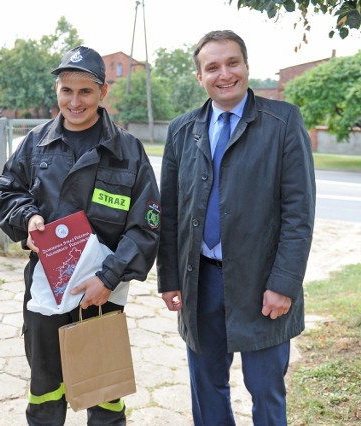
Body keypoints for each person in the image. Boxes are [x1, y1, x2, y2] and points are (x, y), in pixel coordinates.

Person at [0, 46, 160, 425]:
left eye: (85, 91)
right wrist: (27, 217)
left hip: (102, 296)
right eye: (67, 90)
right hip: (47, 293)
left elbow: (145, 226)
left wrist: (108, 277)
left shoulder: (127, 151)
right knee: (46, 390)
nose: (75, 101)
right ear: (57, 92)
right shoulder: (36, 144)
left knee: (105, 397)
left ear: (102, 93)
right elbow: (4, 192)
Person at [157, 30, 316, 425]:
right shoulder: (181, 131)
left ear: (246, 67)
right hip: (201, 283)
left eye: (232, 63)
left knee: (265, 390)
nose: (224, 74)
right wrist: (170, 277)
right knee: (207, 387)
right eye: (212, 67)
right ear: (199, 77)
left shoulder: (283, 122)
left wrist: (284, 284)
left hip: (263, 285)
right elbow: (171, 212)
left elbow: (299, 213)